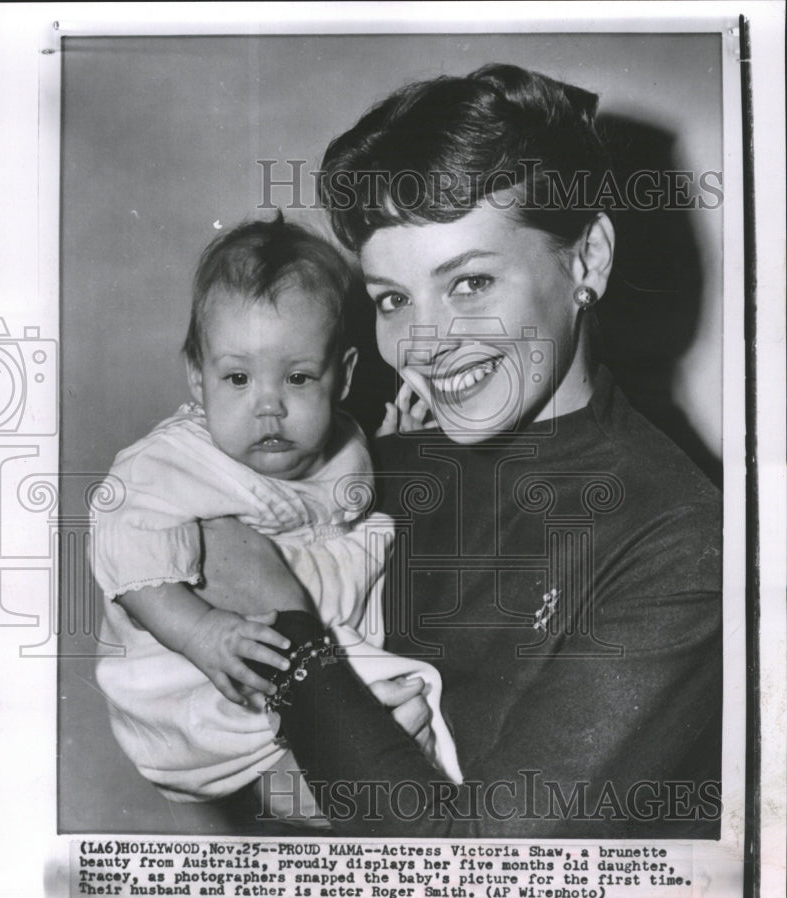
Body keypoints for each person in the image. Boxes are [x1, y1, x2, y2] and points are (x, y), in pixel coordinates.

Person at [200, 63, 723, 838]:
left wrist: (283, 625)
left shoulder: (679, 541)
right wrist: (302, 780)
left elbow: (478, 879)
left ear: (587, 260)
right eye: (391, 298)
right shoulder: (378, 461)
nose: (423, 343)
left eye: (470, 283)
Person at [91, 216, 461, 820]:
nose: (269, 405)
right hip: (202, 674)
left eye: (297, 377)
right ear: (196, 375)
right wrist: (200, 631)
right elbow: (129, 551)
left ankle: (366, 792)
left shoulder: (345, 443)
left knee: (410, 712)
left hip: (314, 643)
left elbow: (357, 505)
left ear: (341, 375)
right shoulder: (176, 461)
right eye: (237, 378)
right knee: (390, 722)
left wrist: (395, 448)